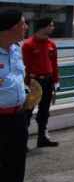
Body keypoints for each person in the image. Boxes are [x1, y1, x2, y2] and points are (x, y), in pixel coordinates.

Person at [0, 8, 37, 182]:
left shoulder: (15, 50)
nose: (26, 28)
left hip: (16, 116)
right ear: (8, 29)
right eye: (22, 24)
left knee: (15, 167)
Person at [21, 16, 59, 148]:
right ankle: (22, 141)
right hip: (34, 82)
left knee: (44, 111)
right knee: (27, 112)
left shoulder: (51, 44)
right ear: (42, 27)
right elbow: (24, 66)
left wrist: (56, 81)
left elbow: (54, 64)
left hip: (47, 80)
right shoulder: (29, 45)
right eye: (50, 26)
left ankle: (42, 137)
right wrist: (26, 84)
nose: (53, 28)